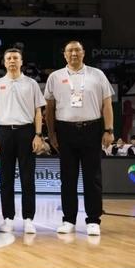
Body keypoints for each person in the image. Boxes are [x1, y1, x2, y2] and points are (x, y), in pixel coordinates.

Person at [45, 40, 114, 237]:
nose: (74, 53)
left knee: (93, 178)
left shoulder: (97, 74)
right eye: (70, 51)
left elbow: (107, 104)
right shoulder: (55, 77)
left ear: (83, 53)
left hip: (92, 129)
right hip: (65, 131)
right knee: (67, 178)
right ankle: (69, 220)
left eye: (77, 50)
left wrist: (108, 130)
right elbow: (49, 109)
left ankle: (93, 220)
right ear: (64, 55)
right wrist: (51, 134)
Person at [0, 48, 45, 234]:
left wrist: (38, 134)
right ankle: (8, 219)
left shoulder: (31, 84)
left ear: (21, 62)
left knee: (28, 178)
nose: (12, 61)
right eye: (9, 58)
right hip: (4, 132)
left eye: (15, 58)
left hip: (26, 132)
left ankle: (28, 219)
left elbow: (38, 111)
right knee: (5, 179)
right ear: (4, 62)